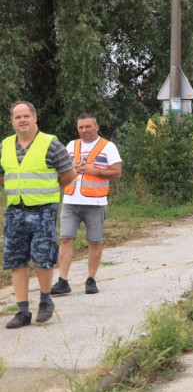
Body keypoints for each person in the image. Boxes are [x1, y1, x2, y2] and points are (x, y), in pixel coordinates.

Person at [1, 101, 76, 328]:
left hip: (43, 210)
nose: (22, 120)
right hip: (15, 210)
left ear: (35, 118)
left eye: (26, 116)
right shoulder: (5, 145)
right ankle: (23, 311)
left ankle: (45, 301)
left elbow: (69, 174)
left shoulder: (50, 144)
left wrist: (50, 191)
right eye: (17, 117)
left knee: (42, 258)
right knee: (16, 260)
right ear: (12, 121)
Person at [51, 114, 122, 296]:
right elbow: (60, 169)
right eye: (81, 127)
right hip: (70, 201)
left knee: (94, 242)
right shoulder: (71, 145)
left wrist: (95, 171)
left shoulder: (108, 146)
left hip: (95, 202)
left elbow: (117, 172)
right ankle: (63, 280)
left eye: (88, 127)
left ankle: (91, 279)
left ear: (96, 127)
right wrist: (70, 169)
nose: (84, 131)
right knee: (65, 239)